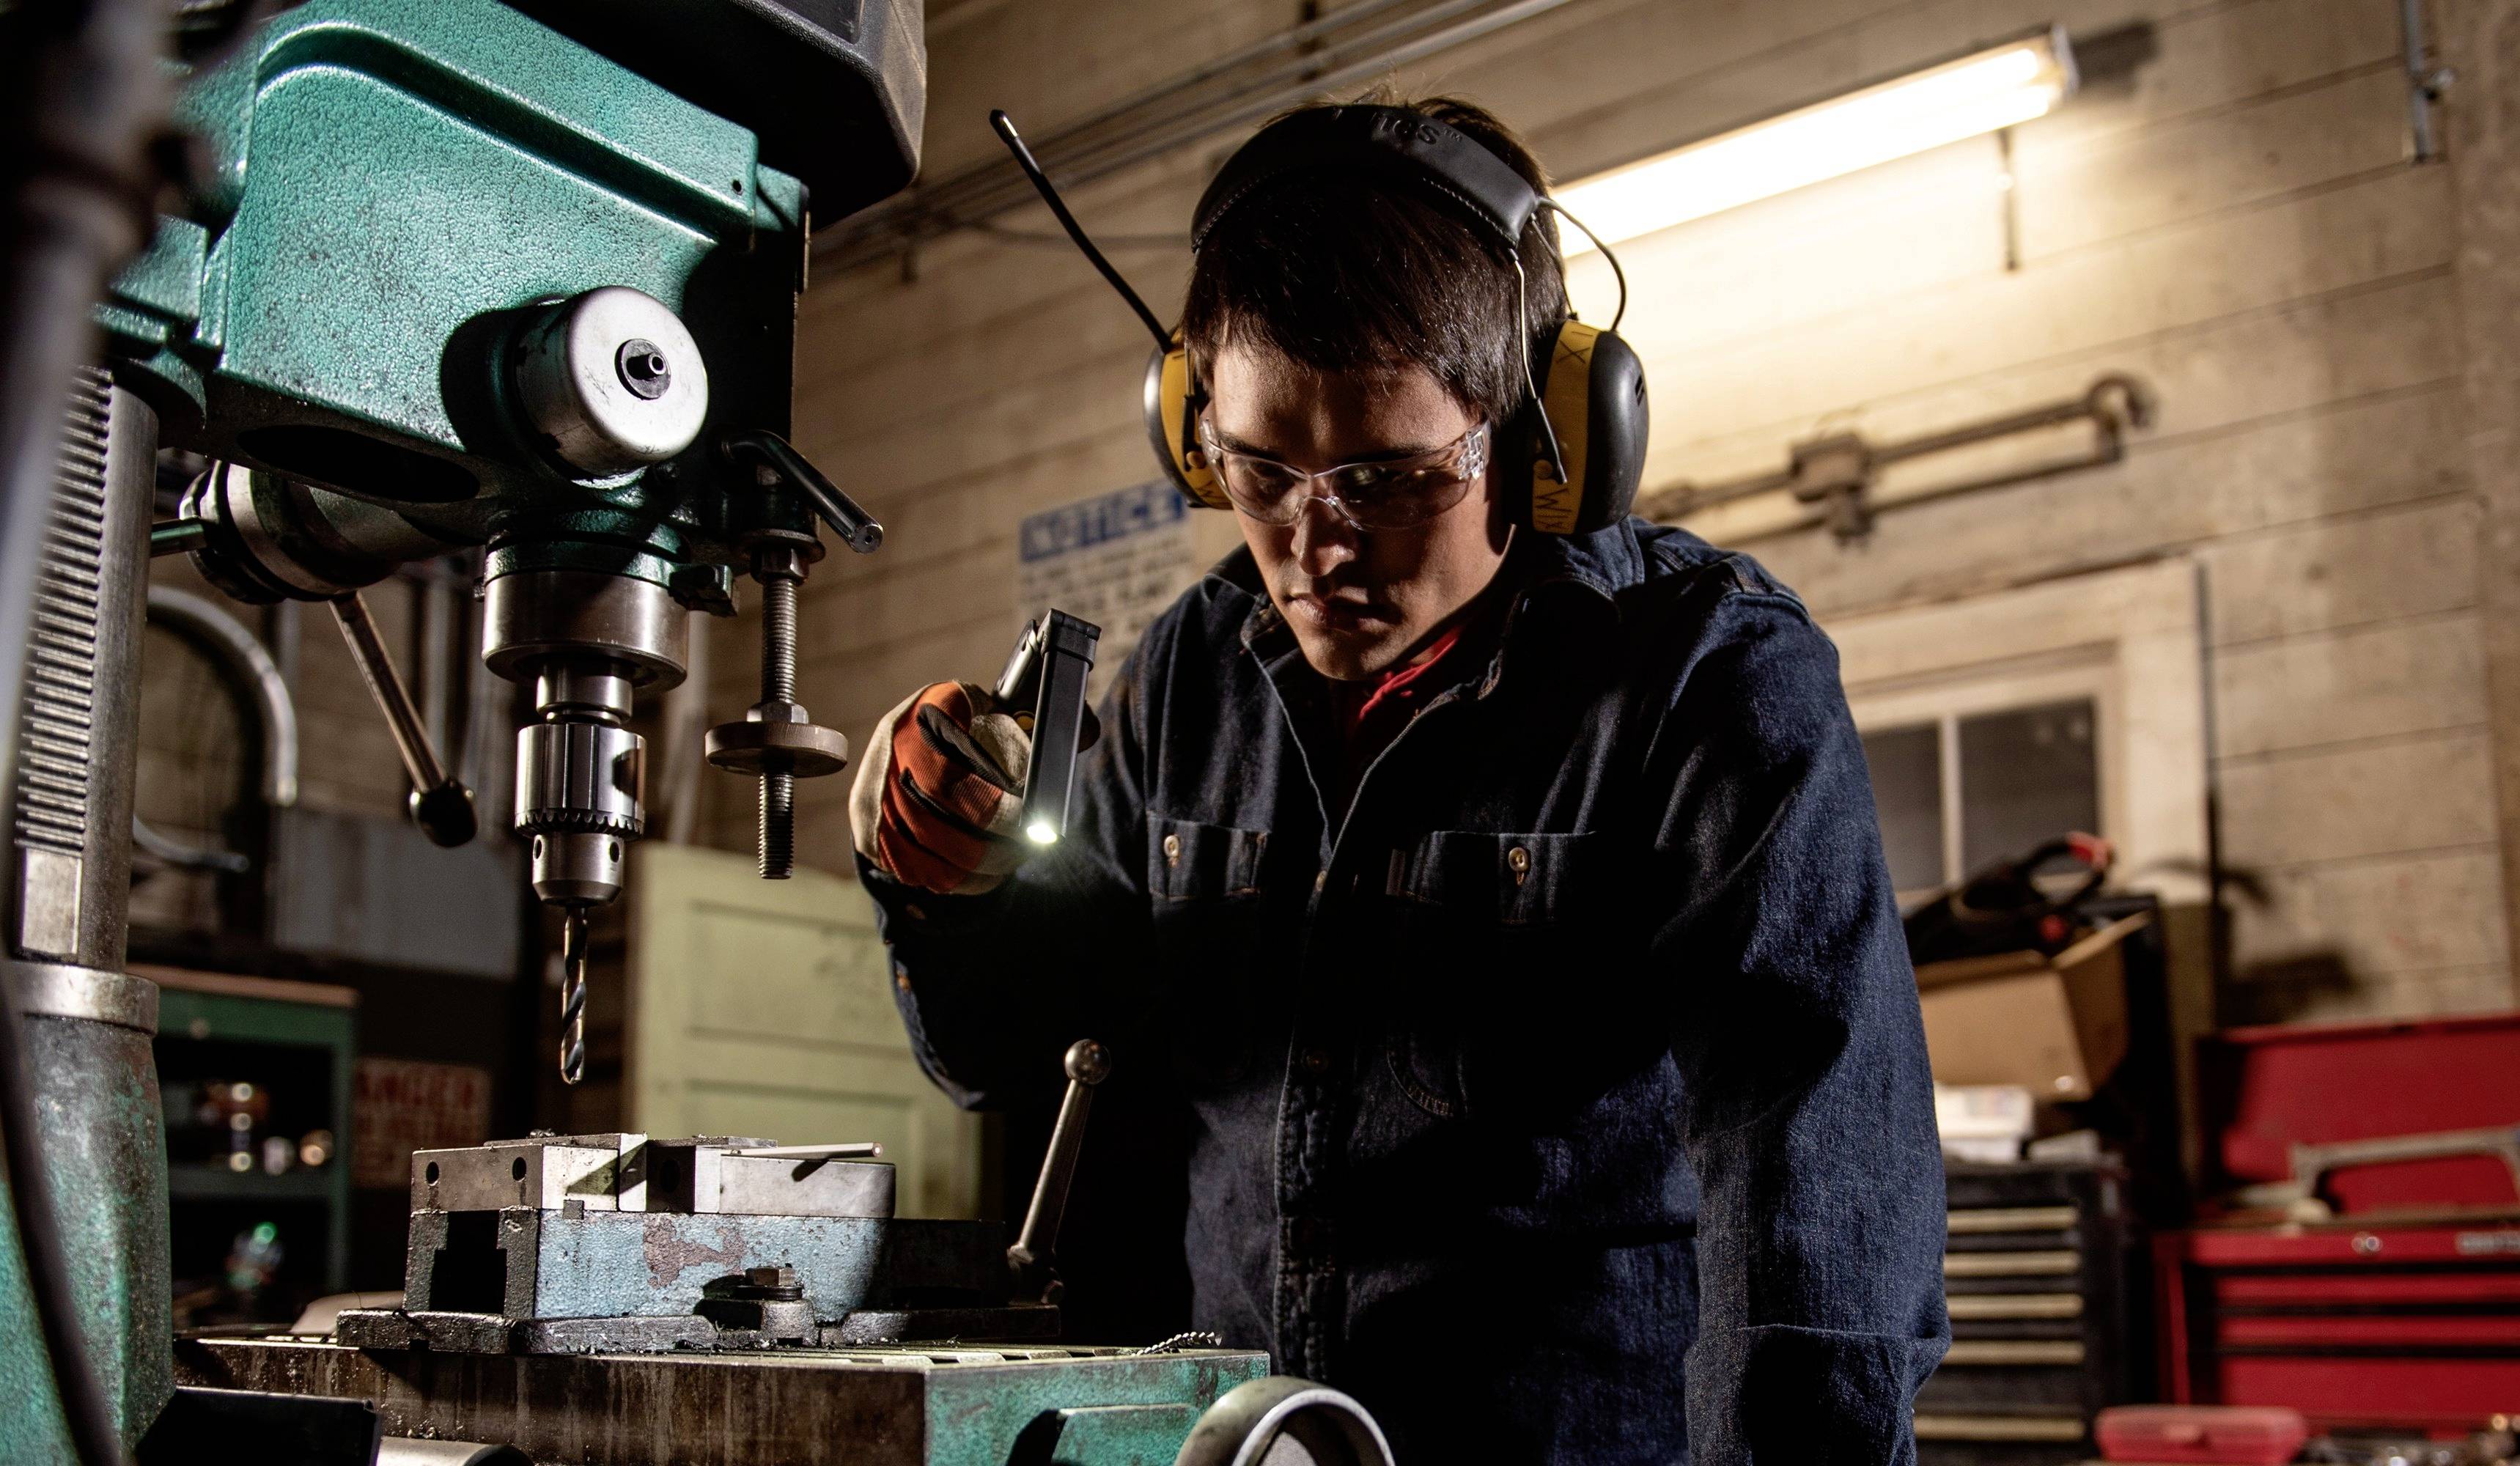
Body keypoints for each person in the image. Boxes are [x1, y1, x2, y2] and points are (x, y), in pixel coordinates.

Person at [847, 93, 1948, 1465]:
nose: (1318, 543)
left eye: (1387, 476)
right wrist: (948, 887)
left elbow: (1818, 1192)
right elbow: (1034, 1051)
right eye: (1261, 468)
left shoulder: (1704, 679)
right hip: (1248, 1446)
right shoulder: (1194, 670)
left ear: (1544, 432)